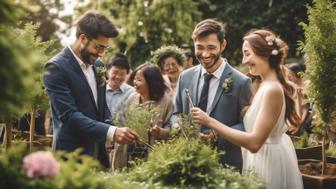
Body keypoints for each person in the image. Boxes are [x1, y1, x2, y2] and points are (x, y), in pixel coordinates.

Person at [191, 29, 303, 189]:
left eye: (247, 54)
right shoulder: (265, 86)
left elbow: (255, 142)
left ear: (263, 54)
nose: (243, 61)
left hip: (269, 162)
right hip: (261, 158)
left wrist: (210, 122)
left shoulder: (272, 89)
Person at [43, 10, 139, 168]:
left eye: (105, 48)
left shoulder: (99, 66)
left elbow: (101, 106)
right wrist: (111, 132)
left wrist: (111, 126)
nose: (101, 54)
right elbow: (69, 116)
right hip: (71, 157)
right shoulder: (55, 67)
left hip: (98, 155)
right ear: (82, 38)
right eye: (99, 47)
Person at [172, 19, 252, 170]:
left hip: (225, 163)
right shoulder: (185, 77)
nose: (205, 54)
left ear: (223, 45)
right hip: (188, 160)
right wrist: (176, 124)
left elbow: (247, 125)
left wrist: (217, 134)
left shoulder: (241, 82)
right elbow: (176, 112)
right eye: (199, 47)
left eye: (211, 47)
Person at [112, 63, 174, 169]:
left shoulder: (166, 102)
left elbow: (172, 129)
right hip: (129, 152)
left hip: (152, 155)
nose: (135, 83)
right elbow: (123, 122)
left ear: (151, 83)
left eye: (139, 80)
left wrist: (159, 131)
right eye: (135, 79)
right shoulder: (132, 98)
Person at [106, 53, 135, 122]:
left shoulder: (132, 93)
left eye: (122, 74)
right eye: (115, 72)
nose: (118, 77)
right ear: (108, 71)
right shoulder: (99, 89)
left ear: (127, 74)